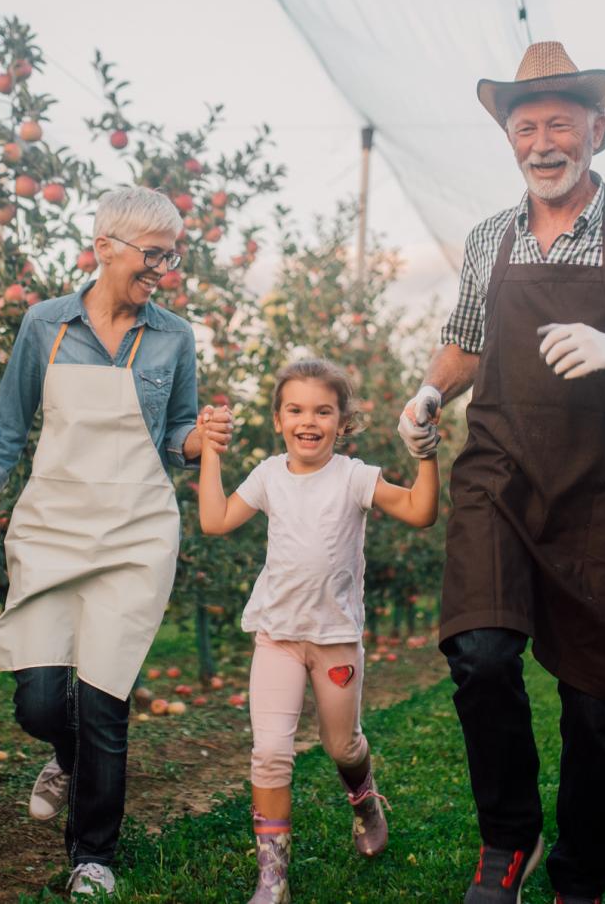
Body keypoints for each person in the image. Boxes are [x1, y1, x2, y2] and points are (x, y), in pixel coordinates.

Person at [396, 42, 605, 904]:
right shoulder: (489, 238)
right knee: (478, 654)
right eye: (525, 126)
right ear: (508, 137)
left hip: (600, 488)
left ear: (596, 127)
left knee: (596, 707)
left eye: (558, 123)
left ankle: (580, 875)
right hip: (498, 473)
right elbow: (468, 340)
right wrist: (430, 393)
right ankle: (509, 838)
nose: (542, 142)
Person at [0, 186, 233, 899]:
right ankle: (66, 761)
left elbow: (178, 433)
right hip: (53, 527)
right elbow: (9, 426)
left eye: (172, 256)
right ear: (103, 247)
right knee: (41, 702)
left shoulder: (173, 336)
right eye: (153, 253)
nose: (163, 268)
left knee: (104, 699)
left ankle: (92, 855)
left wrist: (204, 439)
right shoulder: (44, 326)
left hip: (136, 530)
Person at [198, 358, 438, 904]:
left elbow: (421, 512)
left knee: (342, 743)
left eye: (323, 411)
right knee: (270, 753)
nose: (309, 421)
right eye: (296, 409)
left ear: (342, 420)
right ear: (279, 419)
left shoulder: (353, 476)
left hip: (334, 639)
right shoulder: (267, 475)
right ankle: (273, 880)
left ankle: (365, 800)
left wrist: (425, 456)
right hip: (277, 637)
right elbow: (214, 521)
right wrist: (211, 453)